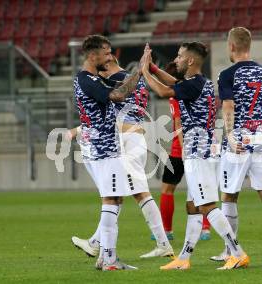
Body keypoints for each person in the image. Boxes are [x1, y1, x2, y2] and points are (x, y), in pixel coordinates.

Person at [141, 41, 249, 270]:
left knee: (208, 206)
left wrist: (143, 72)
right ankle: (184, 258)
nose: (176, 60)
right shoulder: (200, 82)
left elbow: (162, 90)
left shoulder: (192, 85)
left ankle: (237, 253)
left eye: (180, 56)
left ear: (190, 60)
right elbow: (172, 82)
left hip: (198, 153)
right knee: (193, 206)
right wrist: (152, 68)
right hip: (204, 150)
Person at [71, 55, 174, 262]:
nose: (98, 74)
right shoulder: (137, 81)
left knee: (121, 193)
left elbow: (109, 110)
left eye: (100, 70)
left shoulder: (116, 82)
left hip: (124, 138)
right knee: (133, 192)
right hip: (136, 137)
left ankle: (160, 244)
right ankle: (96, 242)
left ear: (108, 64)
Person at [211, 27, 262, 262]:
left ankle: (231, 249)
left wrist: (229, 135)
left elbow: (228, 105)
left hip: (239, 139)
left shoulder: (227, 74)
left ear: (231, 47)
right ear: (249, 46)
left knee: (228, 195)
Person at [71, 34, 142, 271]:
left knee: (116, 198)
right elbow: (119, 95)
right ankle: (110, 260)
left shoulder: (92, 79)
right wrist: (140, 72)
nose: (110, 57)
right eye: (106, 52)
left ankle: (104, 256)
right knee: (111, 199)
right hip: (102, 147)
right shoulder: (87, 80)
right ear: (93, 55)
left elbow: (118, 89)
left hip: (101, 145)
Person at [156, 62, 212, 241]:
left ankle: (167, 230)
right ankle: (205, 228)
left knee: (167, 188)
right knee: (199, 188)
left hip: (180, 150)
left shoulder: (176, 96)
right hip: (201, 146)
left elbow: (178, 125)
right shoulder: (200, 88)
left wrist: (183, 148)